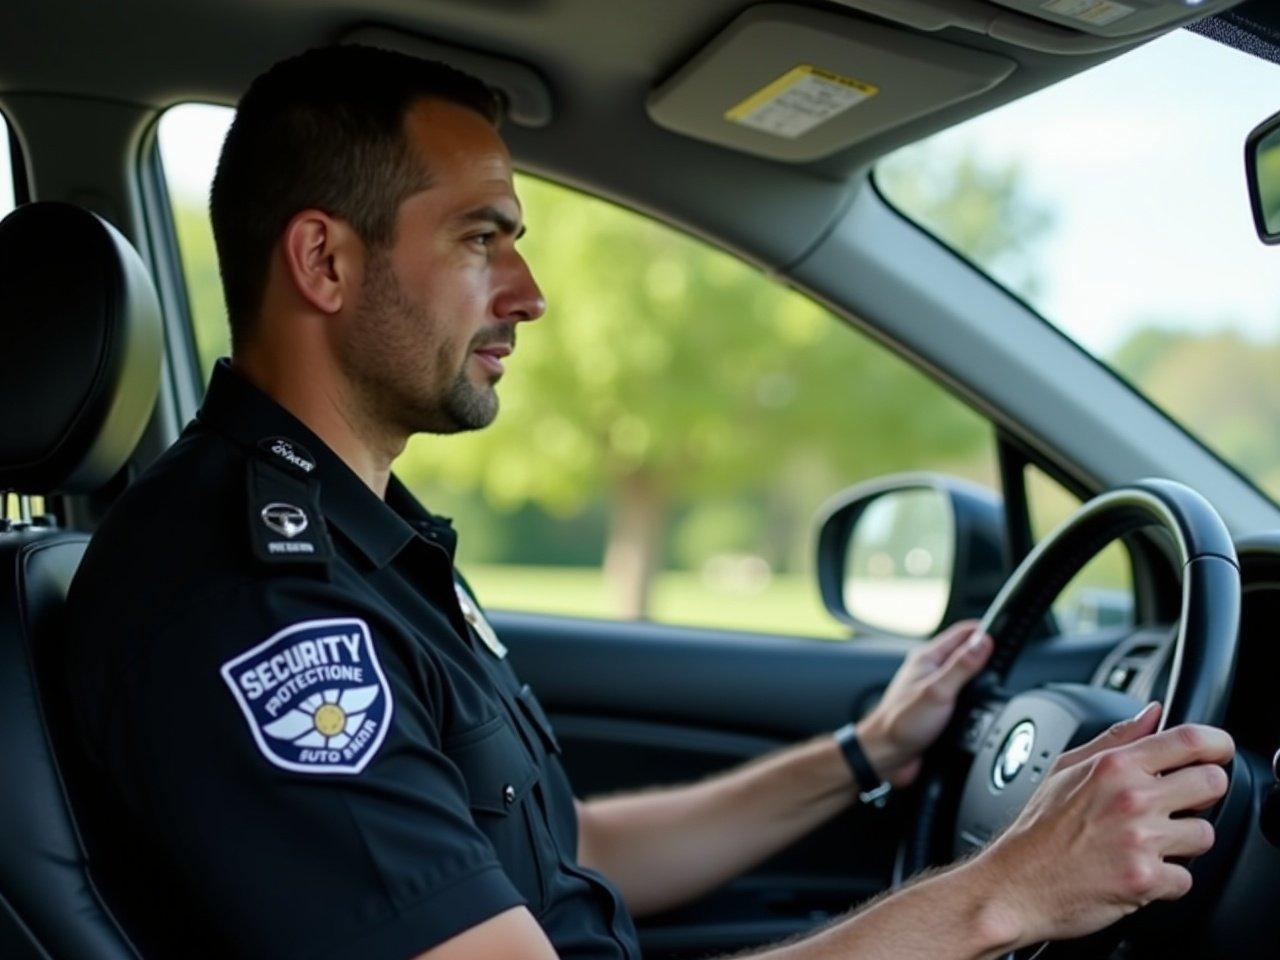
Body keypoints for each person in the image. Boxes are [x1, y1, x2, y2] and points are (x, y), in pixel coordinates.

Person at [63, 44, 1234, 960]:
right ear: (323, 263)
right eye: (482, 239)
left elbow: (562, 854)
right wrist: (1004, 891)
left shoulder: (360, 543)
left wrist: (860, 753)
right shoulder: (252, 606)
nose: (528, 294)